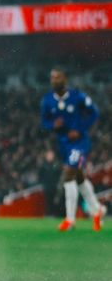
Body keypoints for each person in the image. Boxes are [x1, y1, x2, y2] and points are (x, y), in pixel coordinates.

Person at [40, 67, 104, 231]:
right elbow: (44, 122)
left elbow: (94, 113)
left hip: (80, 143)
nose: (55, 80)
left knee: (69, 174)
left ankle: (70, 220)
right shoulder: (47, 100)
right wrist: (53, 125)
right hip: (63, 144)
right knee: (80, 178)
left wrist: (80, 129)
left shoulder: (77, 96)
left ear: (65, 79)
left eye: (58, 77)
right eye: (52, 78)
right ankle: (97, 210)